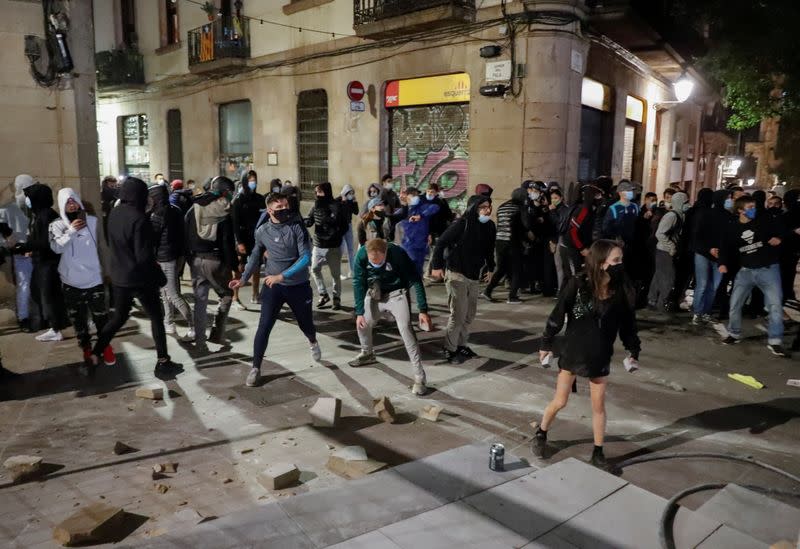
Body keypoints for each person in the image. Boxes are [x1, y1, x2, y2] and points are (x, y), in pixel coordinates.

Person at [533, 240, 641, 469]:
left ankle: (598, 451)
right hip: (573, 351)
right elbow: (557, 314)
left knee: (598, 406)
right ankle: (541, 432)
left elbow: (628, 326)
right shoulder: (578, 284)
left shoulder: (620, 290)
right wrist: (546, 343)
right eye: (616, 260)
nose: (620, 264)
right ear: (601, 263)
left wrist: (634, 351)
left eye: (621, 260)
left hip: (600, 355)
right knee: (560, 401)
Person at [89, 177, 181, 379]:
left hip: (120, 276)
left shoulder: (114, 213)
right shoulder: (139, 219)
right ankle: (163, 362)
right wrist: (159, 277)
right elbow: (143, 256)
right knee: (156, 318)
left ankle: (95, 353)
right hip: (140, 278)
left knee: (118, 318)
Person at [230, 193, 321, 387]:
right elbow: (254, 256)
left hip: (298, 286)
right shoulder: (262, 231)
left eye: (286, 206)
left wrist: (283, 276)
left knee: (306, 324)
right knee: (264, 326)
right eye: (279, 208)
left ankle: (312, 340)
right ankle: (255, 367)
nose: (284, 210)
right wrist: (243, 279)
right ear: (269, 210)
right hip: (273, 287)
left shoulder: (296, 227)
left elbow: (305, 258)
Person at [348, 238, 430, 396]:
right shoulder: (361, 255)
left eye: (379, 260)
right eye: (373, 261)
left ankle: (420, 377)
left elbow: (415, 279)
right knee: (363, 323)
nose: (376, 264)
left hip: (396, 294)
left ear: (386, 253)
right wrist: (359, 313)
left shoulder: (397, 253)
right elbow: (358, 282)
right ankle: (367, 353)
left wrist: (423, 309)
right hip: (374, 293)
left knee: (406, 329)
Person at [49, 188, 115, 369]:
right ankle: (86, 348)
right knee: (79, 322)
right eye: (67, 202)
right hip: (71, 282)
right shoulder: (56, 225)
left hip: (94, 280)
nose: (71, 204)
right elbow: (56, 248)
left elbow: (103, 247)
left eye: (73, 200)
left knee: (102, 318)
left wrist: (107, 272)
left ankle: (105, 346)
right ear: (62, 205)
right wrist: (70, 231)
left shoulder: (93, 222)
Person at [719, 195, 788, 356]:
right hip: (746, 271)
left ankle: (775, 341)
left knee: (775, 305)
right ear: (740, 210)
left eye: (754, 207)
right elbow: (725, 247)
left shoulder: (763, 222)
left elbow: (782, 230)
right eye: (749, 207)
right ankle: (734, 333)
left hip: (768, 269)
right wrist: (722, 263)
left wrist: (779, 238)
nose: (753, 210)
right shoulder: (732, 228)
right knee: (735, 303)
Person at [431, 195, 496, 364]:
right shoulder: (462, 224)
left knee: (469, 314)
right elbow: (441, 243)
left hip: (474, 276)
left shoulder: (489, 226)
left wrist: (491, 267)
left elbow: (489, 249)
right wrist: (436, 266)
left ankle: (461, 345)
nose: (487, 210)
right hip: (456, 274)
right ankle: (449, 348)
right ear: (473, 207)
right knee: (458, 314)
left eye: (488, 206)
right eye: (482, 207)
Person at [184, 176, 237, 349]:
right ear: (225, 192)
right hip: (216, 261)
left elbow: (184, 235)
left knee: (200, 301)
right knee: (227, 294)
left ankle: (200, 341)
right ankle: (217, 332)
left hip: (196, 260)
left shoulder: (193, 208)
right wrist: (234, 267)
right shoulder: (224, 211)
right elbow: (227, 243)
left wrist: (189, 260)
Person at [21, 183, 68, 341]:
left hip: (48, 262)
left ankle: (55, 328)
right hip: (43, 261)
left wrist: (23, 246)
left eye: (29, 197)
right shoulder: (41, 214)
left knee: (47, 294)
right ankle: (55, 325)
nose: (27, 200)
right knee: (43, 293)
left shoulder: (46, 215)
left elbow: (45, 241)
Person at [147, 184, 194, 341]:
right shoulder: (175, 209)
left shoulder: (157, 214)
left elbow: (153, 239)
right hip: (177, 256)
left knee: (172, 294)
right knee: (165, 292)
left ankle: (193, 326)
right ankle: (169, 322)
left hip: (164, 258)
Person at [0, 174, 35, 332]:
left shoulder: (36, 206)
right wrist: (15, 246)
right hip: (21, 253)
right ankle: (23, 317)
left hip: (38, 251)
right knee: (24, 285)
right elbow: (4, 236)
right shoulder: (7, 210)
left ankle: (42, 316)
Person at [306, 182, 349, 310]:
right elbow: (310, 219)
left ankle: (337, 298)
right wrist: (306, 221)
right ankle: (323, 294)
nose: (317, 194)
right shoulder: (315, 205)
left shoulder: (336, 206)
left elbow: (344, 226)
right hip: (318, 244)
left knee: (335, 274)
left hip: (333, 246)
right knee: (314, 269)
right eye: (315, 192)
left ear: (326, 192)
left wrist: (335, 234)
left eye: (319, 192)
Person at [483, 187, 528, 303]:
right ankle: (512, 297)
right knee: (517, 269)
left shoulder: (502, 206)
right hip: (512, 242)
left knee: (501, 268)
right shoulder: (519, 208)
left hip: (499, 242)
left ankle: (487, 291)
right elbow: (523, 225)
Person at [647, 192, 688, 312]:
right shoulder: (672, 216)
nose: (687, 204)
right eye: (685, 202)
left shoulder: (679, 215)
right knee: (668, 278)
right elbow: (659, 233)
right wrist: (671, 247)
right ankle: (661, 304)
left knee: (659, 276)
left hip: (664, 250)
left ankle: (652, 300)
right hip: (665, 251)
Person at [231, 173, 265, 308]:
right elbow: (235, 223)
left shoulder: (259, 198)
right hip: (242, 238)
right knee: (239, 268)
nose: (253, 182)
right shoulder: (238, 200)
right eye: (250, 180)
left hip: (256, 238)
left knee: (256, 266)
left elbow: (263, 218)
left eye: (255, 180)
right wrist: (239, 242)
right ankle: (235, 298)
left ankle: (255, 295)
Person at [397, 187, 439, 275]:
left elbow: (435, 207)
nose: (416, 197)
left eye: (416, 195)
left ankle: (416, 285)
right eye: (413, 195)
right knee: (411, 268)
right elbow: (391, 220)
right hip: (409, 245)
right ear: (406, 197)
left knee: (419, 269)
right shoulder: (404, 211)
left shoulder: (422, 208)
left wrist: (421, 215)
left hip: (422, 245)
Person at [560, 185, 597, 280]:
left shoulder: (584, 208)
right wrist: (582, 248)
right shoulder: (583, 210)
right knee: (575, 277)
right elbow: (573, 231)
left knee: (572, 277)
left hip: (575, 246)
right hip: (573, 248)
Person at [601, 180, 639, 248]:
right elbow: (606, 228)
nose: (630, 192)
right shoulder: (613, 208)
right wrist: (616, 237)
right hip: (618, 244)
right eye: (628, 190)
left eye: (631, 190)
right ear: (620, 193)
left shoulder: (635, 206)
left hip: (633, 243)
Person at [337, 184, 359, 279]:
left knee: (351, 249)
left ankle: (352, 271)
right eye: (349, 193)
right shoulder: (338, 200)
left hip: (348, 226)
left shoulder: (351, 201)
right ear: (345, 193)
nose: (351, 195)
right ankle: (339, 273)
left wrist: (354, 202)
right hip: (340, 227)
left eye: (352, 193)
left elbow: (356, 212)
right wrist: (343, 202)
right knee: (340, 250)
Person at [379, 175, 401, 241]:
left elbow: (398, 206)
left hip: (392, 221)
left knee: (391, 240)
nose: (391, 183)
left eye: (392, 181)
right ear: (383, 182)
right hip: (382, 221)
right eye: (389, 181)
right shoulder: (380, 193)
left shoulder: (393, 194)